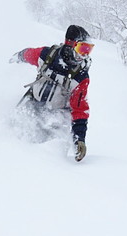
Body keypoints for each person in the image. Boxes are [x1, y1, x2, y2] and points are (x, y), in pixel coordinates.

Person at [9, 24, 94, 162]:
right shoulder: (48, 55)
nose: (83, 55)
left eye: (88, 50)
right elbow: (28, 54)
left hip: (57, 115)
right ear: (70, 45)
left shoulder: (80, 77)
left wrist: (80, 139)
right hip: (33, 103)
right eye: (82, 49)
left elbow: (79, 109)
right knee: (14, 134)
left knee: (46, 155)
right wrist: (17, 57)